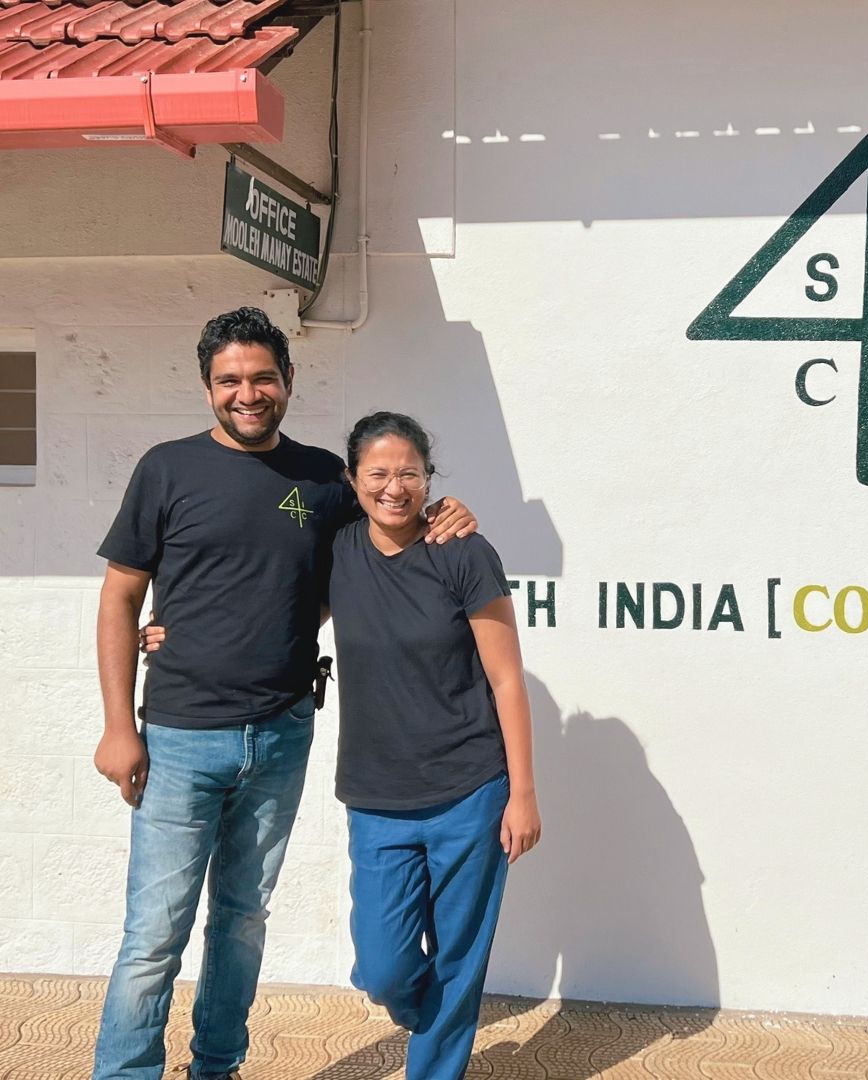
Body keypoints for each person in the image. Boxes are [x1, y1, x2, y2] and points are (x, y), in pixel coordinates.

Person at [92, 308, 477, 1080]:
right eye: (230, 380)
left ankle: (218, 1066)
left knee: (241, 921)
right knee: (154, 933)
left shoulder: (320, 479)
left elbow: (376, 544)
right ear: (207, 388)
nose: (248, 392)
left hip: (280, 733)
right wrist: (117, 726)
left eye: (262, 376)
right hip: (179, 736)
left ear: (288, 381)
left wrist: (448, 511)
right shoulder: (165, 470)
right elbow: (118, 598)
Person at [332, 411, 542, 1080]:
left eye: (410, 474)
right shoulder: (335, 550)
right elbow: (262, 605)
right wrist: (172, 634)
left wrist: (523, 795)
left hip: (470, 791)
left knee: (460, 956)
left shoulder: (465, 553)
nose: (395, 488)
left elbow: (507, 680)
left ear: (429, 478)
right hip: (375, 796)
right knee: (385, 968)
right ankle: (430, 1010)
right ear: (352, 480)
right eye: (379, 474)